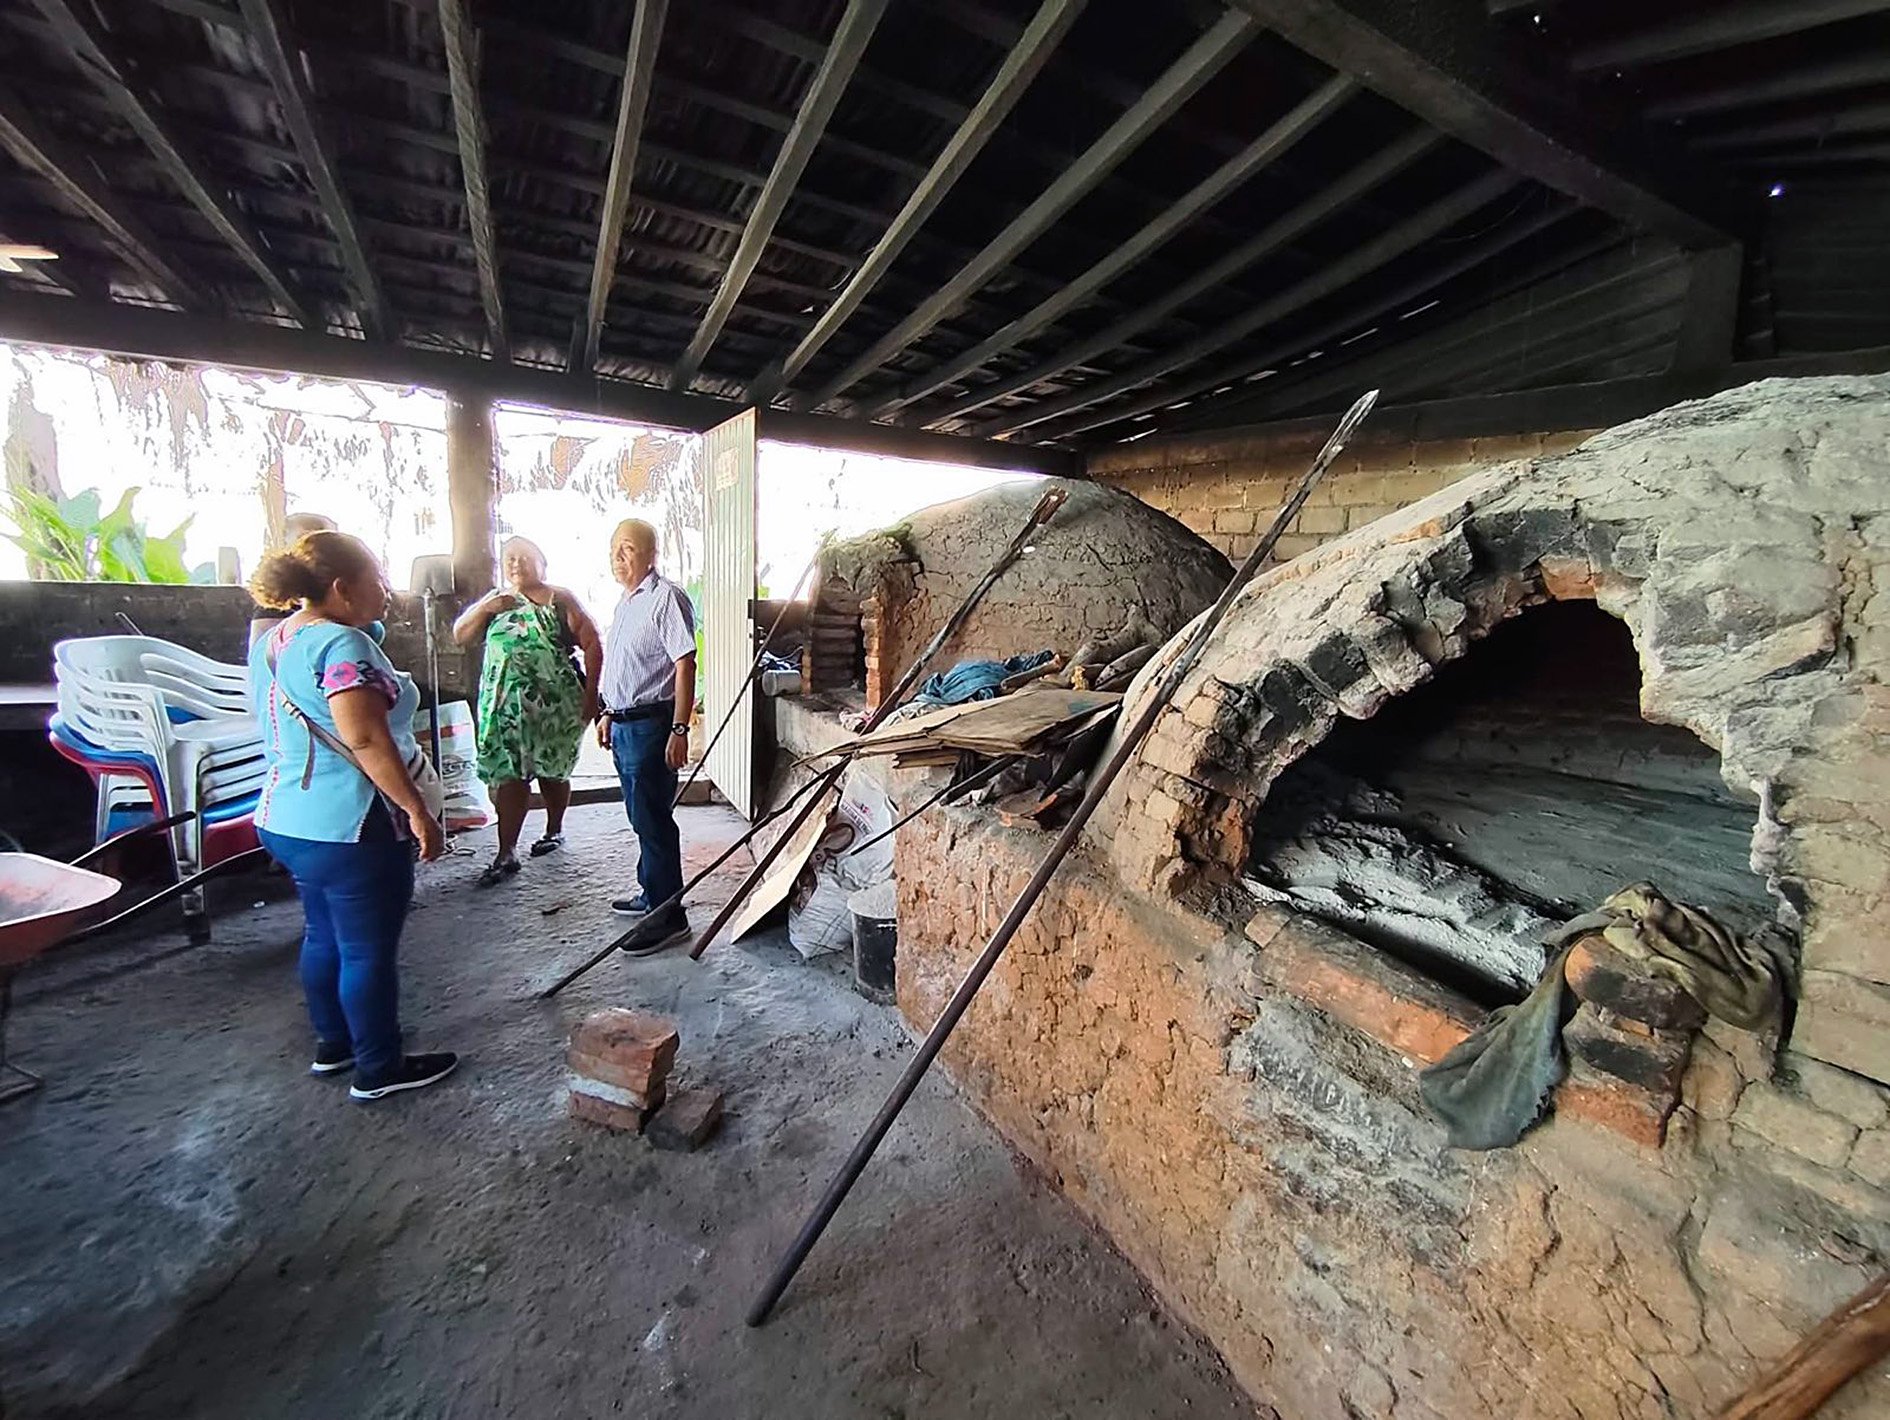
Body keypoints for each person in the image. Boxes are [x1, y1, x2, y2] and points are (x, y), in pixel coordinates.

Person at [247, 530, 459, 1101]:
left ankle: (334, 1044)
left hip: (286, 817)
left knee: (323, 935)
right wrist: (417, 811)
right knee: (367, 950)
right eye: (377, 580)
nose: (386, 591)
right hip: (351, 821)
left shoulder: (277, 640)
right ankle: (378, 1068)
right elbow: (364, 739)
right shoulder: (343, 646)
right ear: (342, 587)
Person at [453, 537, 602, 886]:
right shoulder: (496, 601)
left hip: (554, 708)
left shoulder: (559, 599)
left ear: (542, 564)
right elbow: (460, 634)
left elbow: (593, 643)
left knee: (553, 772)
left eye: (524, 557)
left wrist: (591, 698)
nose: (516, 563)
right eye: (510, 557)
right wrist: (485, 609)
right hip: (504, 709)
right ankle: (506, 852)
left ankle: (554, 829)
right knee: (510, 777)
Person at [596, 518, 696, 951]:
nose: (619, 557)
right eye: (614, 549)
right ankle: (651, 892)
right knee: (641, 816)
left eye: (628, 549)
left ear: (651, 554)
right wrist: (607, 712)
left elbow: (685, 663)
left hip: (651, 727)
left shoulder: (665, 598)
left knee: (653, 819)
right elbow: (624, 667)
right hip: (623, 724)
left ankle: (668, 915)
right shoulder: (626, 602)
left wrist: (680, 728)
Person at [249, 512, 338, 647]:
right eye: (305, 539)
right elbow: (261, 655)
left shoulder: (344, 592)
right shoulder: (276, 599)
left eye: (330, 540)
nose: (319, 548)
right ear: (286, 545)